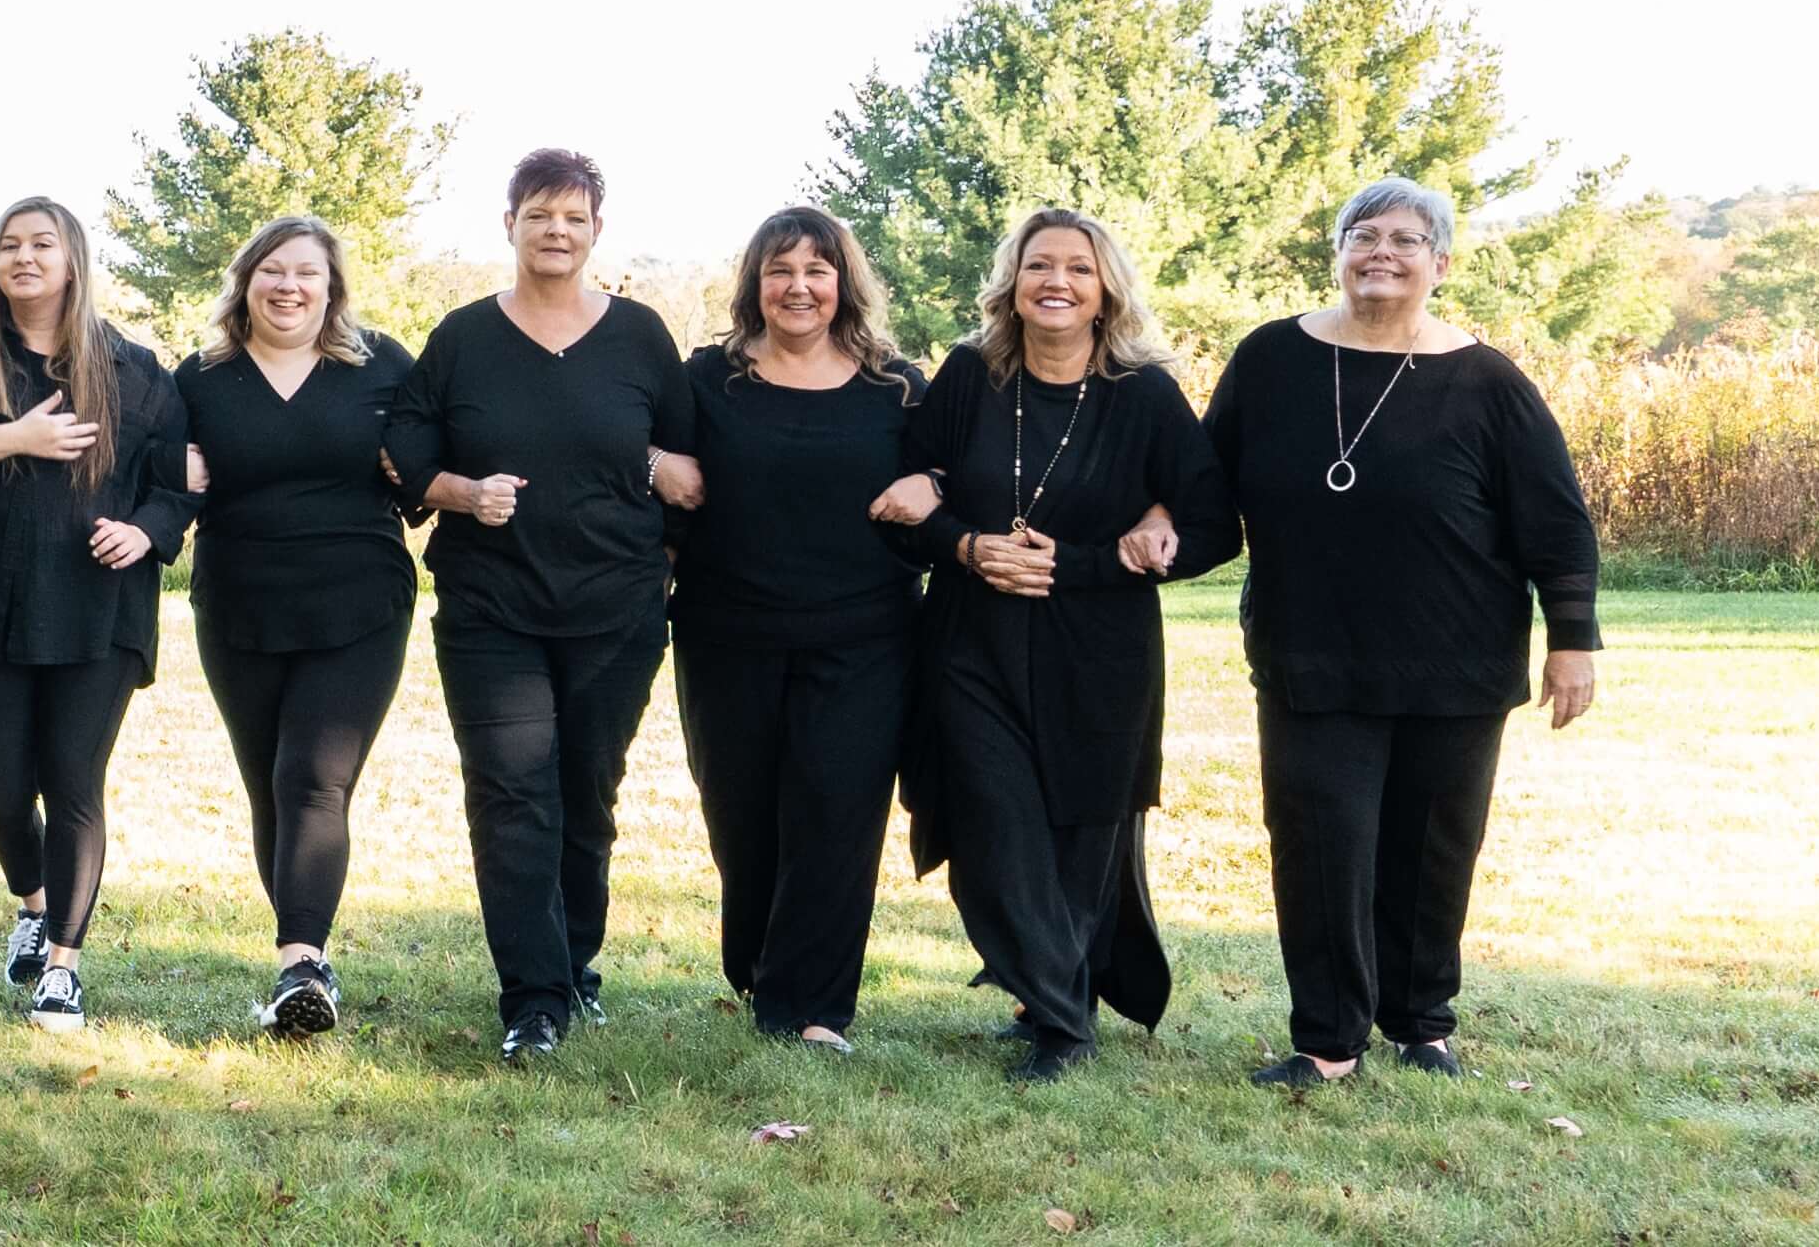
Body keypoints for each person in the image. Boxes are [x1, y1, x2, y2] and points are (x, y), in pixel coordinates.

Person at [1214, 179, 1603, 1088]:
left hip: (1457, 661)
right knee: (1318, 848)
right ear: (1338, 250)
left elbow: (1555, 520)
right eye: (1363, 234)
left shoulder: (1487, 379)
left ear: (1440, 262)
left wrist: (1572, 637)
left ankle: (1421, 1023)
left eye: (1405, 239)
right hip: (1310, 654)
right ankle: (1327, 1041)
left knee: (1433, 850)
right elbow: (1203, 483)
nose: (1380, 252)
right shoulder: (1271, 359)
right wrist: (1148, 527)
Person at [879, 207, 1234, 1082]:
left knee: (1080, 834)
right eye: (1039, 265)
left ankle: (1055, 1010)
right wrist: (967, 547)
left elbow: (1211, 525)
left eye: (1077, 268)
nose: (1056, 282)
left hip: (1099, 649)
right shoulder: (968, 376)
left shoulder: (1143, 391)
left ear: (1105, 287)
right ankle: (1055, 1006)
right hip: (971, 640)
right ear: (1011, 281)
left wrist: (1094, 561)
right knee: (991, 821)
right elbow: (902, 510)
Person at [387, 149, 697, 1065]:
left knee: (584, 795)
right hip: (492, 609)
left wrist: (652, 509)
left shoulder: (641, 336)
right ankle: (532, 999)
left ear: (596, 231)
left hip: (617, 611)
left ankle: (574, 968)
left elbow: (683, 464)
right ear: (509, 225)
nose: (555, 231)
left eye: (572, 217)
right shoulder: (462, 338)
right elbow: (405, 445)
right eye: (538, 214)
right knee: (511, 794)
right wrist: (458, 490)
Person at [0, 197, 194, 1031]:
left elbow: (176, 486)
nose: (23, 258)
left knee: (72, 783)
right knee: (2, 790)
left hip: (97, 610)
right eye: (9, 245)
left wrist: (144, 533)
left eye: (41, 244)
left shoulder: (136, 369)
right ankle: (33, 903)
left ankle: (62, 966)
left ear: (73, 260)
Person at [666, 207, 928, 1052]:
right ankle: (757, 975)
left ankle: (812, 1008)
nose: (799, 286)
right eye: (780, 270)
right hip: (723, 633)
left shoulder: (897, 385)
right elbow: (616, 443)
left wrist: (932, 477)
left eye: (817, 270)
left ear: (844, 283)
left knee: (838, 817)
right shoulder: (705, 378)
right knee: (741, 819)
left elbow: (968, 465)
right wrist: (650, 462)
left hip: (864, 638)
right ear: (754, 285)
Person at [172, 218, 417, 1038]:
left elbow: (429, 462)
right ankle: (304, 961)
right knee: (268, 785)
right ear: (244, 282)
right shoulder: (200, 378)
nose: (288, 287)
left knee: (313, 777)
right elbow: (156, 475)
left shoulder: (379, 365)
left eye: (306, 273)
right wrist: (171, 473)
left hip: (359, 601)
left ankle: (300, 962)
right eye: (271, 271)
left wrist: (412, 469)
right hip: (239, 601)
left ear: (331, 286)